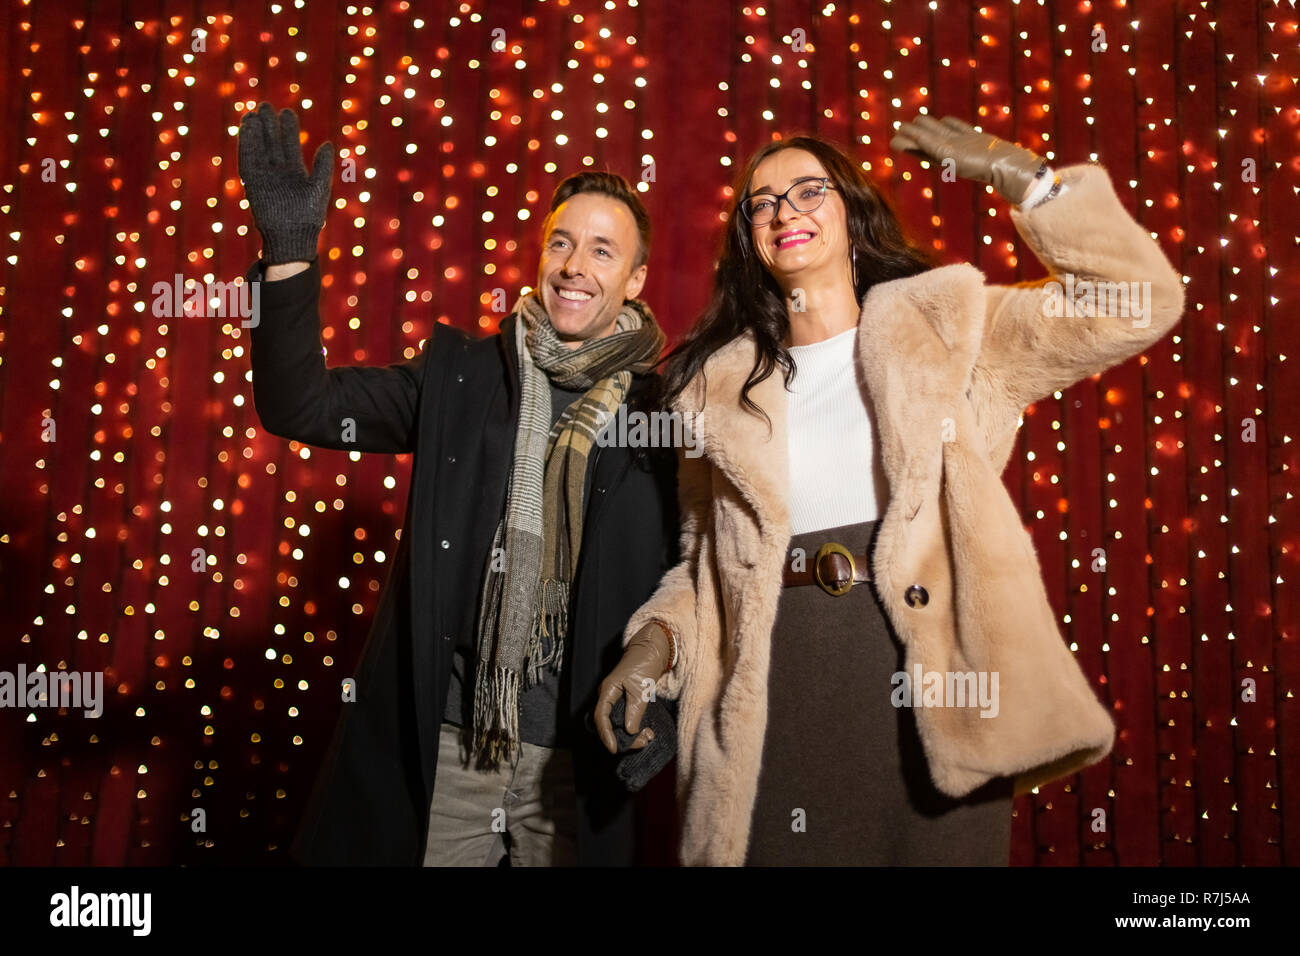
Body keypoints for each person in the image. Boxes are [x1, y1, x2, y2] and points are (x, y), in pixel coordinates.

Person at [596, 116, 1187, 866]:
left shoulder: (952, 329)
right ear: (750, 237)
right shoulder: (714, 389)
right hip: (776, 696)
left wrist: (1023, 176)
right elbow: (707, 568)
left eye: (809, 190)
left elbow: (1139, 301)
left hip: (928, 694)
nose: (785, 211)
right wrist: (655, 644)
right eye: (763, 202)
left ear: (850, 213)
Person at [237, 102, 679, 866]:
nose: (576, 267)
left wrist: (664, 696)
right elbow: (300, 404)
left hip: (580, 760)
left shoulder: (667, 414)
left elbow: (697, 581)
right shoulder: (462, 378)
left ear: (636, 277)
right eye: (563, 243)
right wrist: (288, 252)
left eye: (604, 252)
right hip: (451, 749)